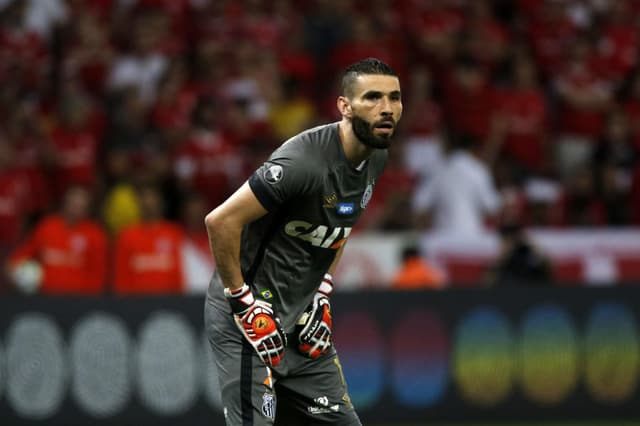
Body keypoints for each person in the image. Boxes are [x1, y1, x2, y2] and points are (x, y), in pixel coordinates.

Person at [204, 58, 402, 425]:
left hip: (302, 324)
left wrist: (322, 290)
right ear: (345, 106)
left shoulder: (376, 157)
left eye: (394, 97)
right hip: (250, 323)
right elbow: (220, 221)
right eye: (373, 97)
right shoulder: (303, 162)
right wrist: (243, 302)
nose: (386, 108)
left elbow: (337, 229)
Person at [6, 185, 108, 295]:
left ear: (87, 209)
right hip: (45, 298)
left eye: (81, 206)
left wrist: (89, 300)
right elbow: (24, 253)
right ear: (65, 204)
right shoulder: (47, 227)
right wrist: (13, 268)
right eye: (73, 204)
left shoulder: (95, 234)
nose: (76, 210)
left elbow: (98, 275)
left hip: (79, 300)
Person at [113, 184, 185, 295]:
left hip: (169, 302)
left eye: (153, 198)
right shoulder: (127, 236)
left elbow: (180, 272)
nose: (149, 203)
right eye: (144, 199)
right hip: (135, 303)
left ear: (161, 202)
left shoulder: (174, 233)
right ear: (138, 203)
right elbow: (121, 278)